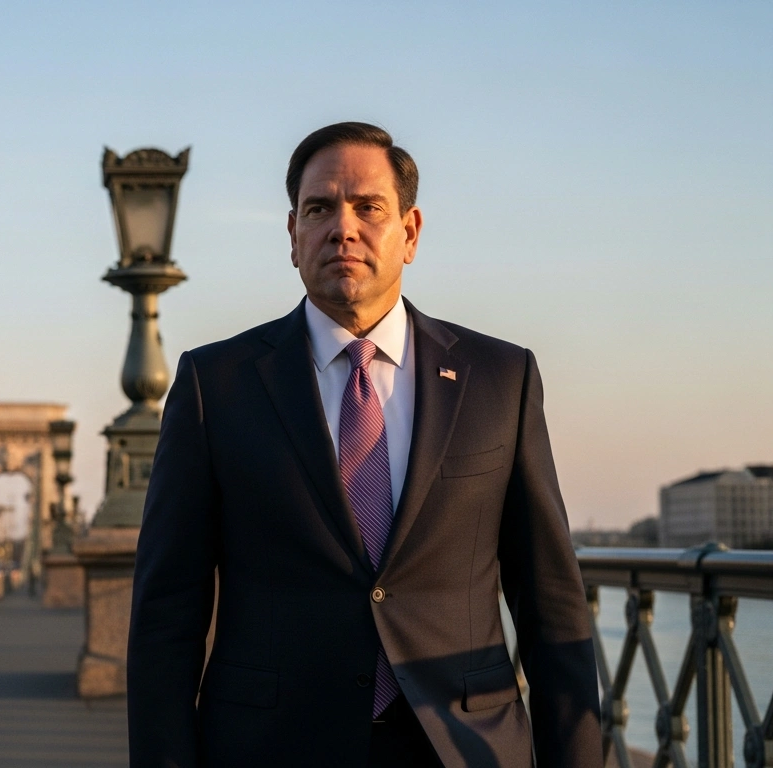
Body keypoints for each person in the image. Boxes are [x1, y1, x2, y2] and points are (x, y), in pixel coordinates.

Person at [126, 122, 601, 767]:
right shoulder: (217, 384)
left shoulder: (501, 379)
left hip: (463, 748)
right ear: (292, 237)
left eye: (368, 207)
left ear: (410, 232)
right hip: (270, 747)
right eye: (318, 208)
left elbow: (551, 605)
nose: (342, 227)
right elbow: (167, 614)